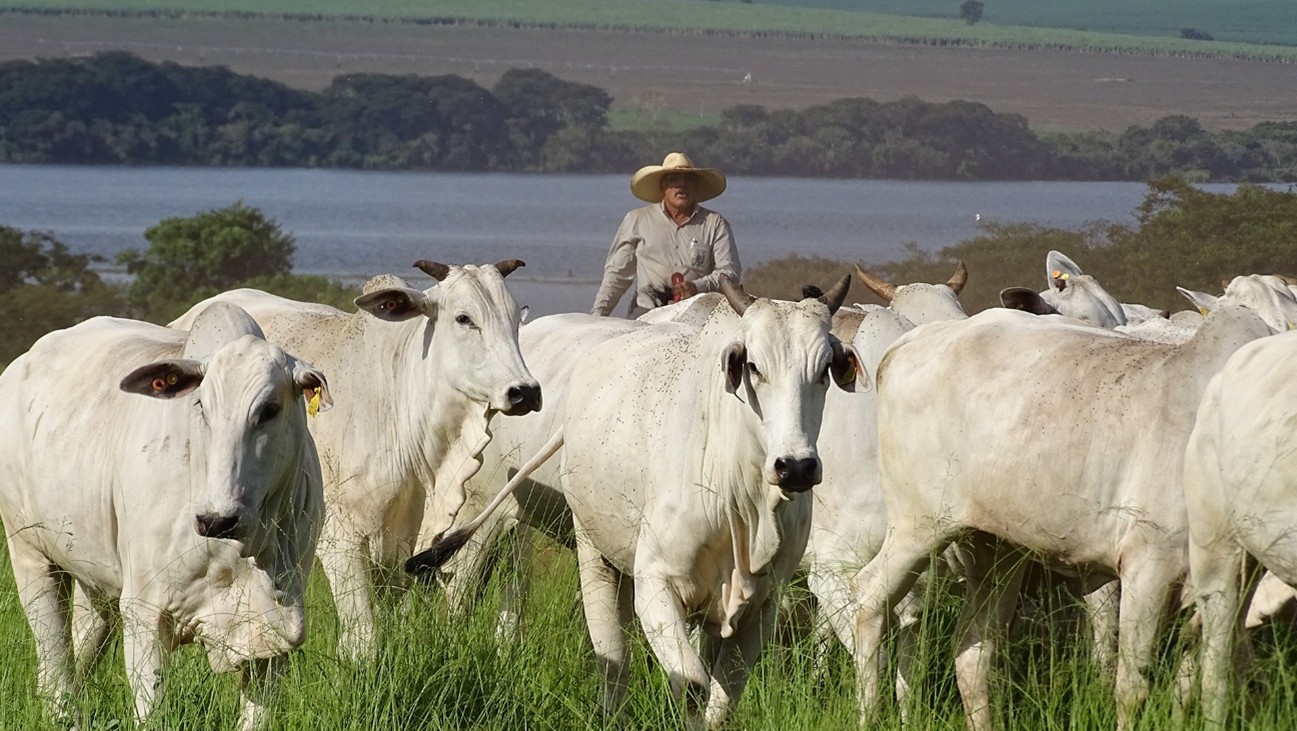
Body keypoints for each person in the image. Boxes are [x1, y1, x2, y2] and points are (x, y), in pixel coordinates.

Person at [590, 152, 741, 318]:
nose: (681, 185)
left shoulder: (715, 223)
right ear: (663, 186)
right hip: (647, 312)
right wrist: (597, 315)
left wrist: (696, 286)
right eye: (674, 179)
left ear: (696, 186)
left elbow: (729, 272)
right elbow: (617, 274)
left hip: (697, 314)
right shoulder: (637, 220)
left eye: (688, 180)